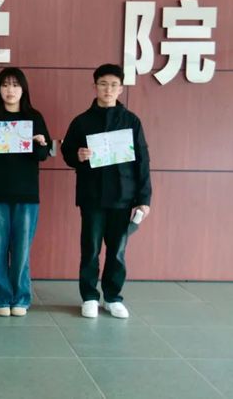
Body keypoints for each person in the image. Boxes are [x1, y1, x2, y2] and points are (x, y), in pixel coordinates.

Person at [62, 63, 152, 319]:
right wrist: (78, 155)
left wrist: (144, 198)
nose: (108, 89)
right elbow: (68, 152)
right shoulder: (82, 121)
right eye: (103, 84)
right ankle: (90, 296)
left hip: (123, 196)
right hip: (91, 195)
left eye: (113, 85)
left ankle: (112, 297)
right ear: (95, 86)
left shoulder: (131, 121)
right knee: (90, 249)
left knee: (117, 250)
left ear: (121, 88)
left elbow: (143, 161)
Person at [0, 67, 51, 317]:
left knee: (21, 250)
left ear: (23, 89)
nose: (10, 90)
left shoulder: (34, 118)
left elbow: (43, 154)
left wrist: (41, 144)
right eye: (5, 85)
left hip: (26, 194)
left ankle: (21, 298)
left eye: (15, 85)